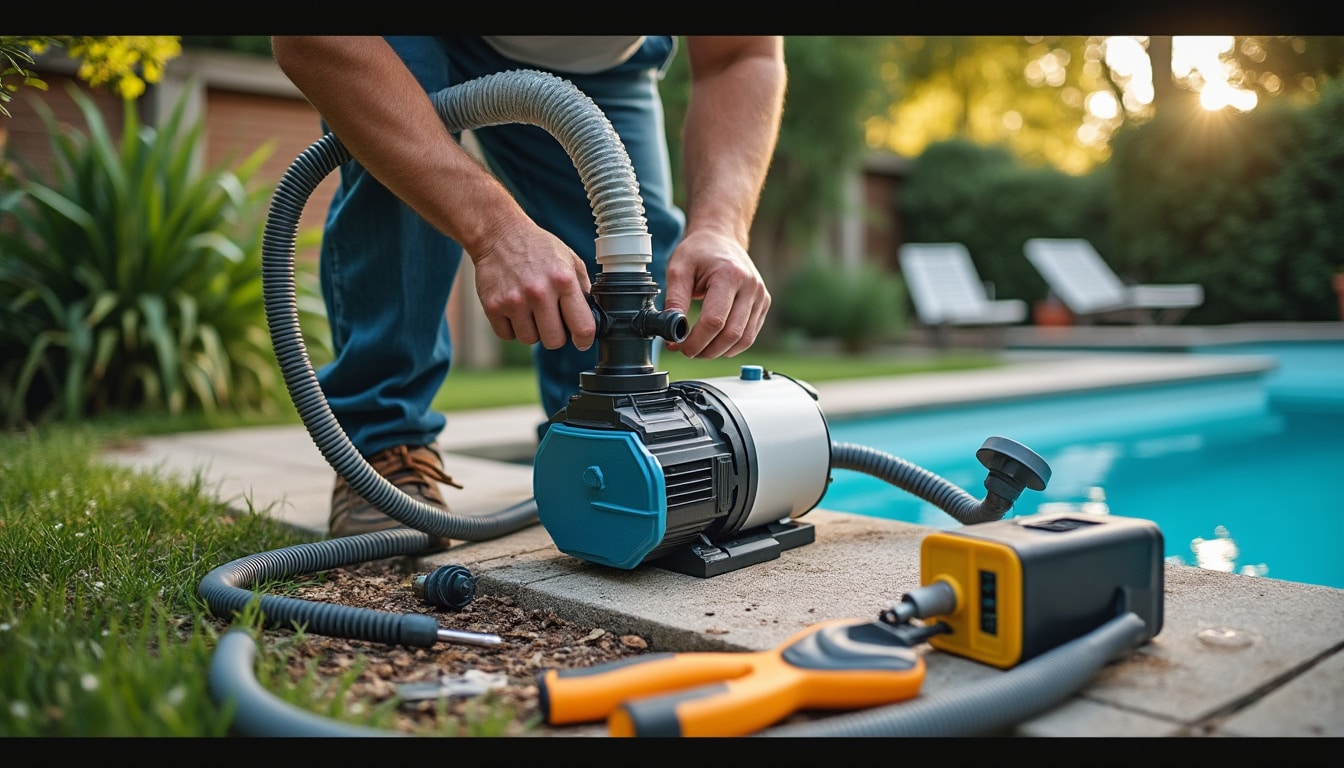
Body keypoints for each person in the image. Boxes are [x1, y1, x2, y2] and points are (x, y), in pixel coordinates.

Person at [270, 36, 786, 547]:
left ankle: (593, 456)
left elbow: (740, 55)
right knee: (398, 171)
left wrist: (721, 226)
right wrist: (495, 231)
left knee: (627, 243)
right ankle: (385, 451)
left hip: (601, 59)